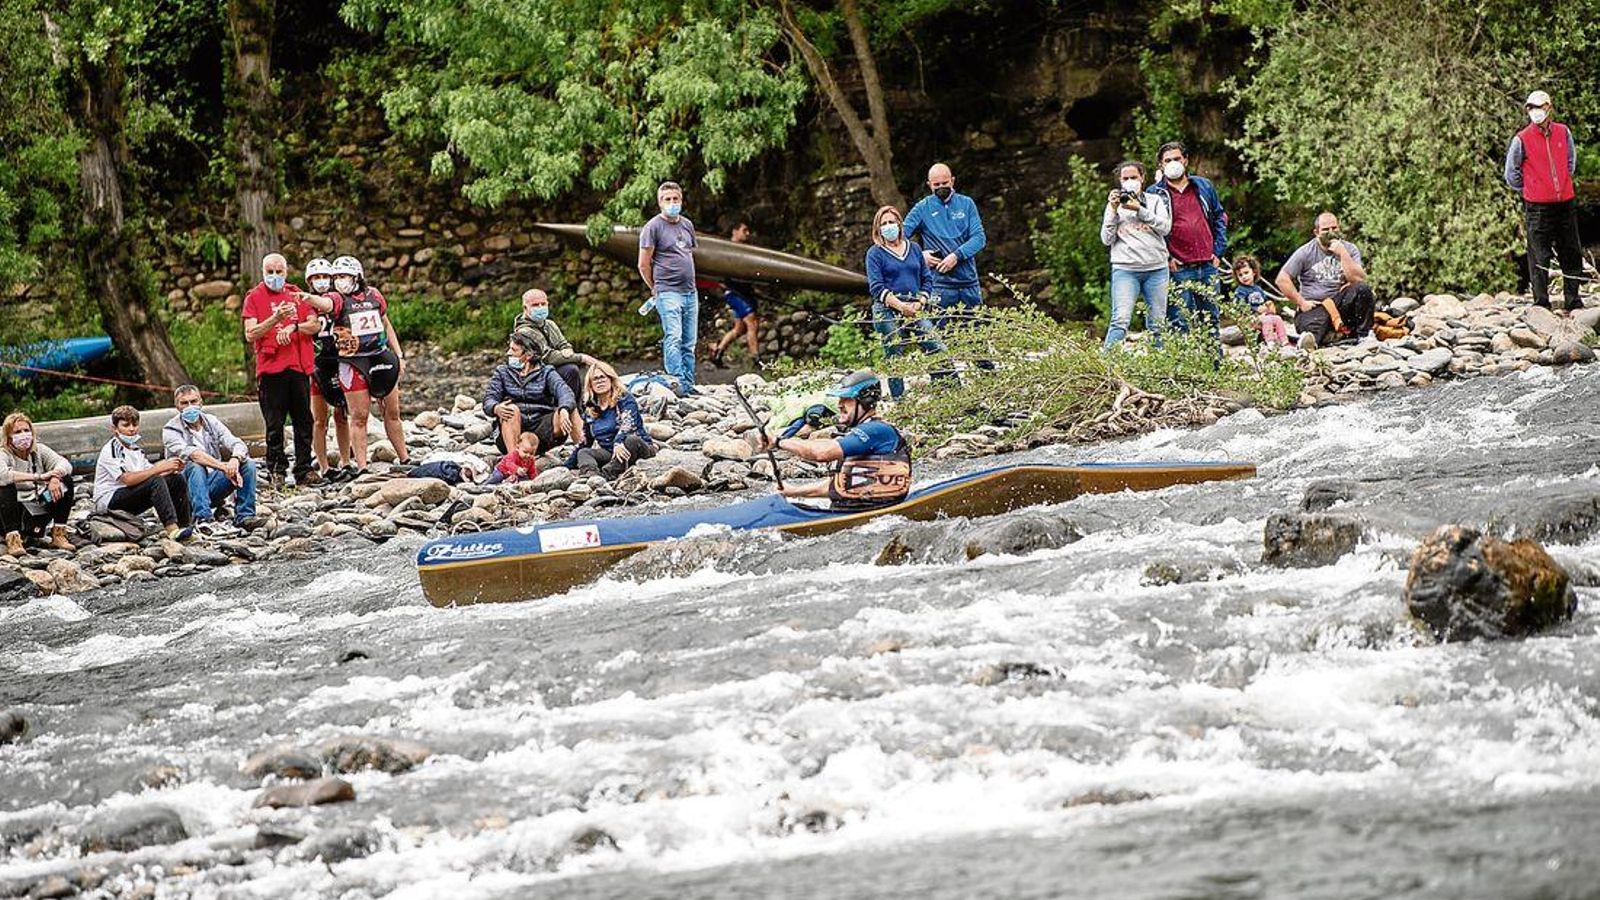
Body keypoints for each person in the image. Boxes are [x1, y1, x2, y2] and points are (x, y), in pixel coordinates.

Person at [306, 255, 409, 471]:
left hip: (380, 356)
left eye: (344, 276)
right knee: (359, 416)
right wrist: (307, 298)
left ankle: (405, 458)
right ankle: (362, 466)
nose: (339, 281)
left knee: (392, 412)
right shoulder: (336, 298)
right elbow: (325, 303)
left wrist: (399, 355)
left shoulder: (374, 295)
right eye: (336, 277)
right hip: (352, 362)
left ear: (357, 277)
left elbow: (386, 324)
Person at [758, 370, 911, 511]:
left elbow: (821, 453)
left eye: (846, 399)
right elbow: (841, 484)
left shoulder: (876, 430)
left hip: (868, 511)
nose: (839, 404)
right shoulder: (865, 433)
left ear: (865, 401)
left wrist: (778, 442)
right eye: (840, 399)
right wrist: (793, 491)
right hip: (855, 510)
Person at [242, 252, 321, 487]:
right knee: (274, 423)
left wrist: (294, 327)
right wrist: (276, 319)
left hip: (298, 366)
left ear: (286, 272)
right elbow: (250, 333)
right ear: (263, 272)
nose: (275, 276)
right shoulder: (254, 297)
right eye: (270, 272)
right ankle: (277, 469)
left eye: (279, 271)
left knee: (304, 420)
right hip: (270, 369)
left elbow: (314, 324)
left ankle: (304, 468)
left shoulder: (297, 294)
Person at [1504, 90, 1584, 311]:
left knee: (1571, 252)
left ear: (1549, 107)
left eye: (1539, 106)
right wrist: (1532, 188)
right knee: (1539, 255)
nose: (1535, 111)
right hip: (1538, 207)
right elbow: (1511, 174)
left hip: (1565, 202)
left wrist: (1560, 183)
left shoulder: (1563, 132)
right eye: (1531, 107)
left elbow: (1570, 163)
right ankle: (1541, 303)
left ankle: (1573, 300)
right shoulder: (1521, 139)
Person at [1147, 142, 1228, 339]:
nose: (1173, 163)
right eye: (1168, 160)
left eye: (1177, 158)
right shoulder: (1154, 193)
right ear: (1161, 165)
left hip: (1208, 265)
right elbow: (1151, 231)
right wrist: (1167, 257)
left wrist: (1218, 250)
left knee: (1210, 320)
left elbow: (1219, 216)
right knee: (1180, 321)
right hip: (1178, 268)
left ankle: (1213, 360)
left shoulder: (1203, 185)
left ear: (1185, 160)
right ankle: (1186, 360)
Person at [866, 205, 947, 398]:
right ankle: (900, 402)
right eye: (884, 223)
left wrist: (920, 301)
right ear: (878, 228)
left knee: (936, 347)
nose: (888, 226)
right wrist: (901, 306)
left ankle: (948, 392)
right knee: (895, 355)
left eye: (891, 222)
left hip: (915, 305)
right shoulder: (875, 253)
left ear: (899, 224)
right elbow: (876, 287)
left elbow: (927, 279)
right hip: (887, 308)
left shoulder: (915, 249)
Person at [162, 385, 261, 535]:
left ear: (201, 402)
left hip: (212, 484)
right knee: (195, 466)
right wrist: (224, 467)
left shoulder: (211, 421)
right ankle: (203, 519)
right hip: (186, 493)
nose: (190, 407)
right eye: (184, 403)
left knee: (247, 464)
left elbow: (236, 443)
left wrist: (235, 459)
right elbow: (194, 454)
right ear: (177, 406)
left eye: (193, 401)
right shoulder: (170, 430)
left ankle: (245, 516)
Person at [1275, 212, 1376, 351]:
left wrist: (1343, 254)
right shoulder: (1305, 252)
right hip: (1315, 306)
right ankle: (1311, 341)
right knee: (1314, 327)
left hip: (1340, 303)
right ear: (1316, 232)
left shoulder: (1349, 249)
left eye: (1334, 228)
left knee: (1363, 289)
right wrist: (1301, 302)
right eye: (1325, 230)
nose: (1331, 233)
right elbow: (1282, 279)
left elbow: (1358, 279)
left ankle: (1363, 336)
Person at [903, 163, 987, 329]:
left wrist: (956, 256)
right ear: (929, 185)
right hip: (939, 285)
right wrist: (919, 256)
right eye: (937, 184)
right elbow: (898, 239)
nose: (941, 187)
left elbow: (979, 238)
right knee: (941, 336)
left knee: (976, 334)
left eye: (945, 183)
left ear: (952, 181)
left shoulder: (967, 204)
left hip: (968, 283)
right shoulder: (922, 208)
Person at [637, 181, 700, 396]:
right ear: (660, 202)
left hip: (690, 291)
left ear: (681, 200)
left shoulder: (687, 225)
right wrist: (654, 287)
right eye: (667, 199)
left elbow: (687, 254)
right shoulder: (652, 227)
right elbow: (643, 264)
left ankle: (689, 384)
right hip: (667, 290)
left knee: (689, 341)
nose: (672, 203)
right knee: (674, 337)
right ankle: (676, 383)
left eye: (675, 199)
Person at [93, 406, 193, 541]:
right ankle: (171, 528)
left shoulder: (136, 449)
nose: (131, 429)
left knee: (176, 479)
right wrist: (159, 469)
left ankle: (184, 525)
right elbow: (128, 479)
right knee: (155, 480)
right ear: (115, 429)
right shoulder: (112, 449)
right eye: (126, 425)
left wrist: (170, 468)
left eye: (134, 425)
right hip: (110, 500)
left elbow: (148, 472)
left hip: (130, 494)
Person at [1100, 160, 1171, 349]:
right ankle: (1107, 362)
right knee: (1120, 319)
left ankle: (1160, 362)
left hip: (1156, 269)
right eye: (1125, 178)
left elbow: (1165, 228)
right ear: (1120, 181)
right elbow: (1106, 239)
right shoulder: (1114, 205)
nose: (1130, 181)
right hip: (1126, 269)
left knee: (1158, 323)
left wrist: (1140, 209)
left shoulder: (1154, 201)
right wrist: (1113, 210)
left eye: (1134, 177)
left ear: (1142, 178)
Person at [482, 331, 580, 456]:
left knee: (570, 408)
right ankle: (513, 460)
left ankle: (582, 450)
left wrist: (564, 409)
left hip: (542, 433)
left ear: (528, 355)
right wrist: (496, 408)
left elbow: (565, 392)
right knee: (510, 410)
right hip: (511, 434)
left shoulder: (547, 372)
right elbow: (488, 399)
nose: (508, 353)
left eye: (514, 350)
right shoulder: (502, 372)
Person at [566, 360, 657, 478]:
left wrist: (618, 442)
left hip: (636, 447)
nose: (599, 381)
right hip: (610, 453)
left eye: (602, 377)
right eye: (595, 379)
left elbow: (628, 424)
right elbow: (584, 441)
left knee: (631, 440)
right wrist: (565, 467)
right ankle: (591, 475)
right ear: (590, 385)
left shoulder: (625, 399)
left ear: (611, 379)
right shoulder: (590, 410)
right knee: (583, 452)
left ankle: (608, 474)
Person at [304, 257, 353, 478]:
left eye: (325, 277)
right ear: (310, 281)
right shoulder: (305, 304)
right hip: (317, 363)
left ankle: (346, 461)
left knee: (341, 413)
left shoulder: (338, 301)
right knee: (319, 418)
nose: (321, 281)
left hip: (339, 360)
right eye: (317, 277)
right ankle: (324, 466)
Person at [0, 412, 75, 555]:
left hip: (36, 504)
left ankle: (59, 534)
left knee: (66, 481)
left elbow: (64, 464)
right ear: (8, 436)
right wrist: (39, 477)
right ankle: (13, 539)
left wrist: (55, 478)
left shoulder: (39, 450)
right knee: (4, 486)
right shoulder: (3, 454)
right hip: (11, 508)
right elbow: (2, 476)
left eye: (26, 430)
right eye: (17, 432)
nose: (23, 435)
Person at [511, 288, 596, 402]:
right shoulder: (524, 332)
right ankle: (570, 406)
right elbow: (547, 357)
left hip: (550, 368)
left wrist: (567, 350)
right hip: (534, 373)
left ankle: (577, 405)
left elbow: (563, 344)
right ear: (525, 308)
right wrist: (582, 358)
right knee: (571, 370)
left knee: (573, 367)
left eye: (543, 304)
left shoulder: (550, 324)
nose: (540, 308)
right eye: (535, 305)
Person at [709, 222, 763, 367]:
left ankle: (718, 352)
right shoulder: (728, 249)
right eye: (744, 230)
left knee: (739, 329)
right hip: (734, 292)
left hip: (745, 293)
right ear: (735, 231)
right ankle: (756, 359)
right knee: (752, 322)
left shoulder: (745, 249)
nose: (748, 233)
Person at [1233, 255, 1288, 348]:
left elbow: (1264, 301)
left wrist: (1268, 306)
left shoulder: (1258, 289)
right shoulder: (1240, 291)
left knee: (1278, 318)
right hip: (1250, 318)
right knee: (1267, 320)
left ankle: (1284, 341)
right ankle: (1270, 342)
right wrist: (1256, 309)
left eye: (1246, 273)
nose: (1244, 277)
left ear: (1254, 272)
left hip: (1262, 315)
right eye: (1240, 275)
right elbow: (1240, 306)